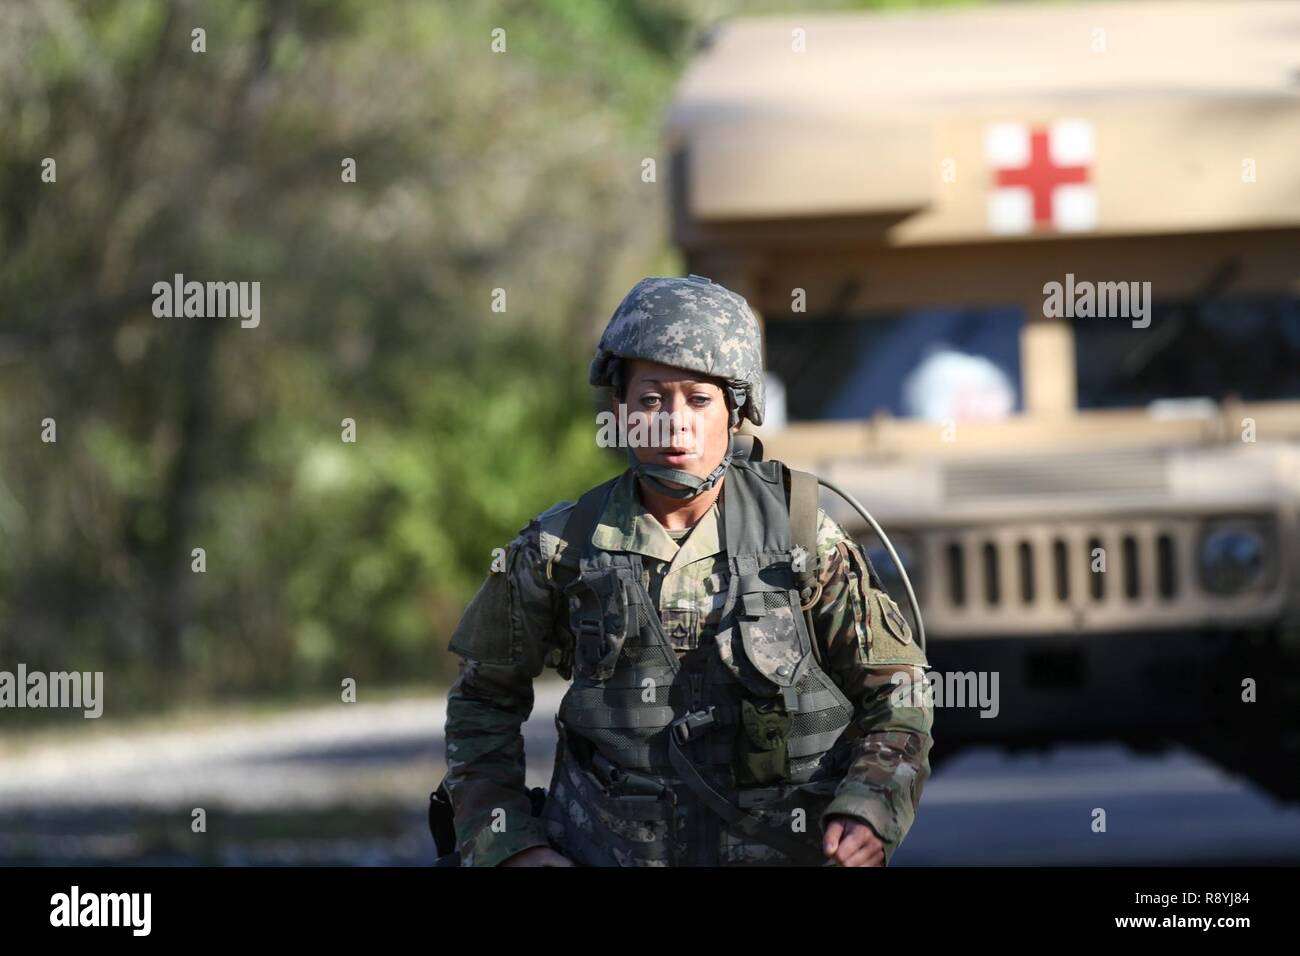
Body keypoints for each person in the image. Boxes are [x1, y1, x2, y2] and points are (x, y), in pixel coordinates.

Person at [442, 274, 933, 867]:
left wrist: (869, 808)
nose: (675, 422)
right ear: (620, 410)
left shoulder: (804, 538)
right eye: (651, 399)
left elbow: (899, 692)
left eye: (699, 400)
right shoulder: (560, 548)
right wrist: (511, 846)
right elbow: (481, 704)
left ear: (735, 409)